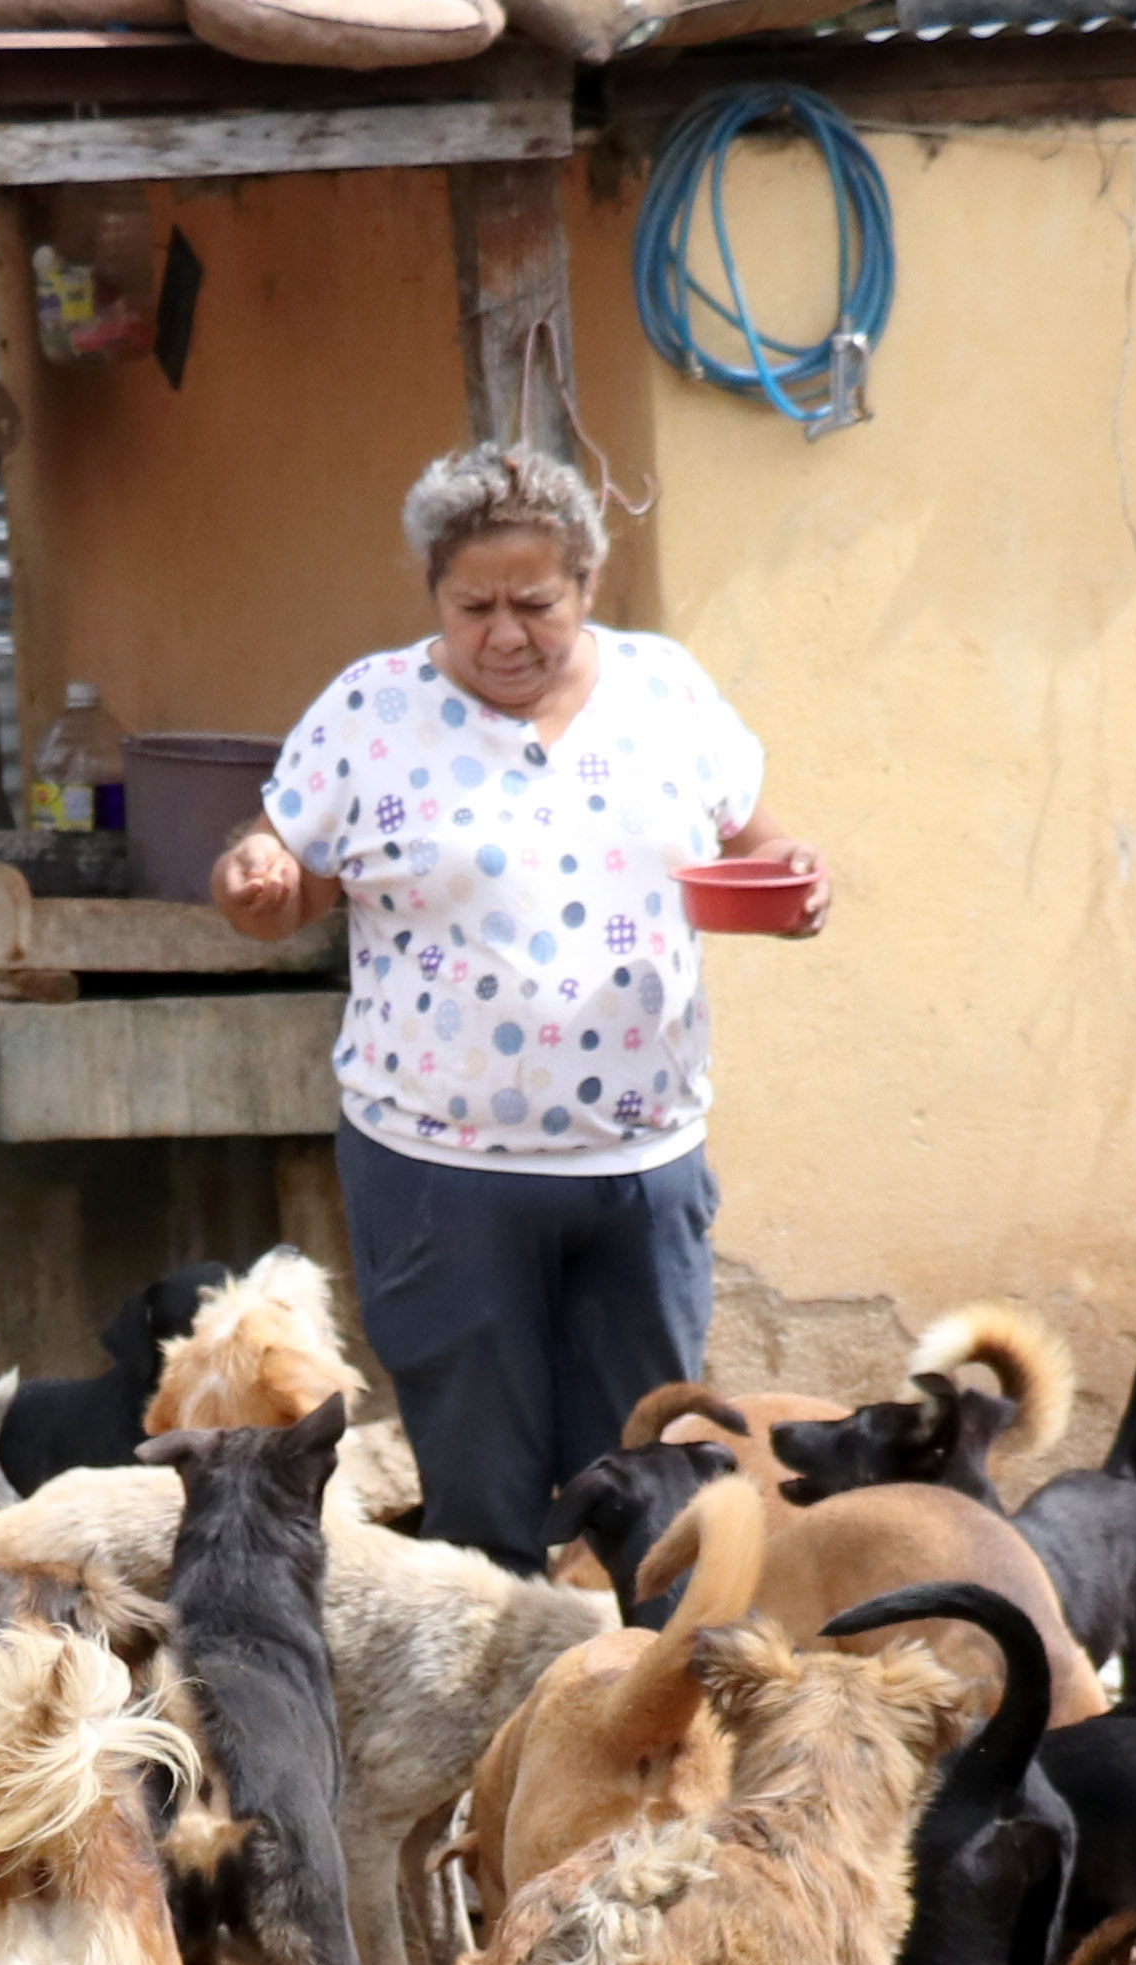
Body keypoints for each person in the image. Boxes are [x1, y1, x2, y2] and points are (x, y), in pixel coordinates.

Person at [211, 439, 820, 1571]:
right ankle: (495, 1735)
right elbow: (278, 876)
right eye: (471, 604)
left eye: (535, 603)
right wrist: (258, 878)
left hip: (643, 1168)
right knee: (484, 1506)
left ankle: (635, 1727)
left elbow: (762, 841)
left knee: (649, 1499)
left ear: (587, 586)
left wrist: (797, 883)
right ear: (432, 595)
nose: (503, 632)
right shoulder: (370, 711)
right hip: (444, 1177)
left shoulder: (667, 693)